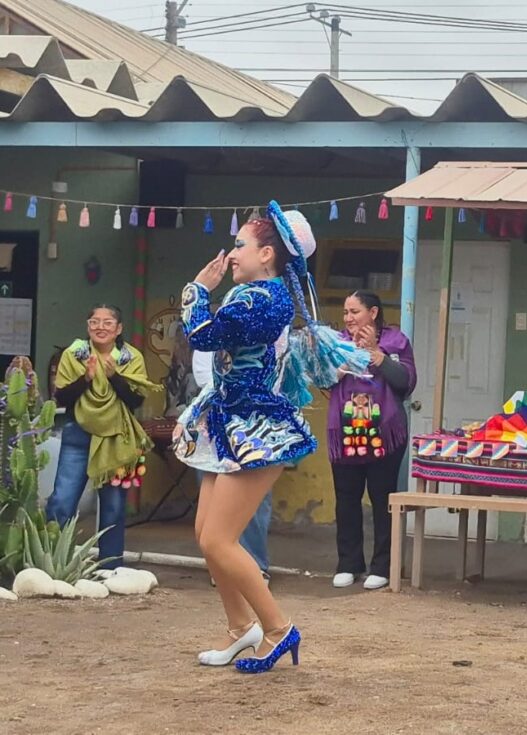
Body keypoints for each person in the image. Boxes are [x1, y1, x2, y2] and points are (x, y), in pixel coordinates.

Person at [173, 201, 368, 673]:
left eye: (240, 245)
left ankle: (279, 630)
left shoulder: (261, 299)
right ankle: (241, 629)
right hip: (230, 423)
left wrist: (198, 288)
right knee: (206, 535)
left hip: (256, 429)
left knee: (219, 540)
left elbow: (201, 334)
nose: (231, 253)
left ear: (268, 255)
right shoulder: (262, 295)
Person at [48, 305, 159, 569]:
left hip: (116, 437)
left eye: (107, 322)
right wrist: (86, 378)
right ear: (88, 327)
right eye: (94, 322)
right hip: (78, 434)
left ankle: (110, 569)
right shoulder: (74, 355)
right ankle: (51, 564)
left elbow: (136, 399)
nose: (100, 327)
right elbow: (61, 397)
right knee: (62, 501)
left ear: (118, 328)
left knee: (113, 507)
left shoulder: (130, 357)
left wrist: (114, 377)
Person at [329, 290, 416, 591]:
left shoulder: (396, 341)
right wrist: (343, 362)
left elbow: (405, 382)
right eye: (346, 313)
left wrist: (376, 354)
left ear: (374, 313)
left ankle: (382, 566)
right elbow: (323, 380)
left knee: (382, 499)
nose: (348, 318)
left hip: (385, 434)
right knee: (346, 498)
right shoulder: (336, 343)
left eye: (354, 311)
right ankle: (348, 563)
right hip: (346, 433)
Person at [192, 349, 273, 583]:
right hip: (217, 425)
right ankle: (222, 568)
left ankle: (255, 566)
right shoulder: (212, 334)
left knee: (252, 501)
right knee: (210, 518)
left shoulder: (268, 331)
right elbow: (203, 377)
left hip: (256, 424)